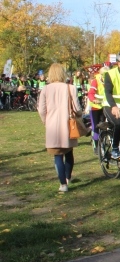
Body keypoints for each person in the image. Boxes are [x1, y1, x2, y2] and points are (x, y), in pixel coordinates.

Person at [38, 63, 81, 192]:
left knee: (57, 155)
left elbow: (41, 109)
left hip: (52, 125)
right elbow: (77, 108)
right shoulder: (71, 88)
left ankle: (63, 184)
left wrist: (46, 121)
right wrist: (79, 115)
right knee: (68, 152)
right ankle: (68, 177)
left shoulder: (45, 89)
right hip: (68, 124)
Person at [88, 66, 109, 154]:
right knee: (96, 127)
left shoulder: (109, 81)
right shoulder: (95, 81)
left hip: (105, 106)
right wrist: (94, 99)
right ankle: (96, 145)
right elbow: (91, 93)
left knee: (105, 126)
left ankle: (104, 141)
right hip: (95, 107)